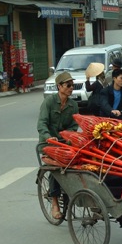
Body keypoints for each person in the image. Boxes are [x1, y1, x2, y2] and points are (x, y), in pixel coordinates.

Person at [37, 72, 79, 219]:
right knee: (57, 167)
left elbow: (74, 125)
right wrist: (49, 137)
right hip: (48, 144)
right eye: (68, 85)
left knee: (78, 164)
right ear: (59, 86)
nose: (71, 88)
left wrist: (69, 137)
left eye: (72, 85)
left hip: (65, 144)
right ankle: (55, 202)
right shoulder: (48, 102)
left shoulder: (73, 105)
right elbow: (42, 123)